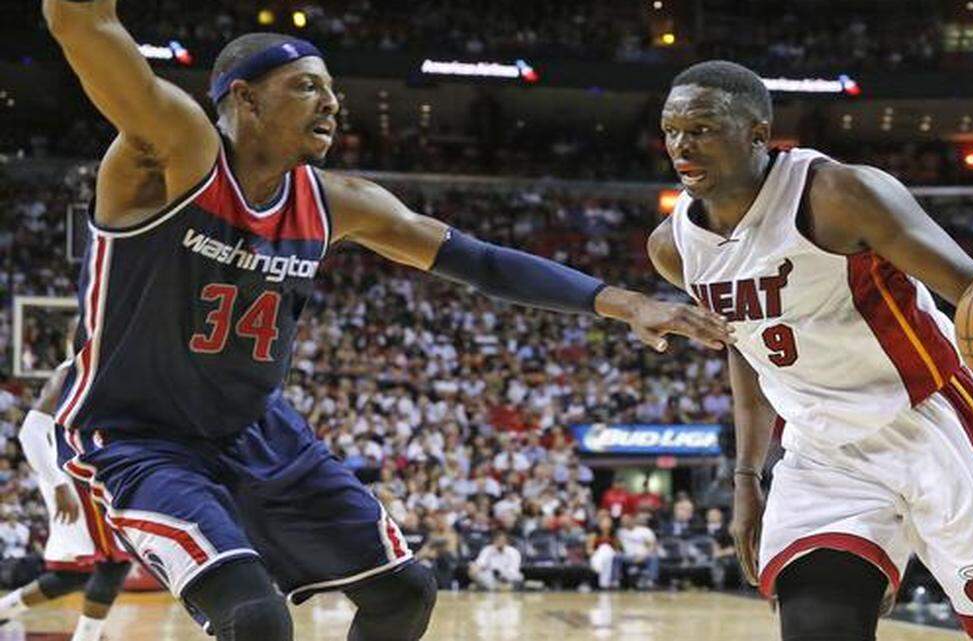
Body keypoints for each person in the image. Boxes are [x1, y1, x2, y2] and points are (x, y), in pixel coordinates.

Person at [41, 4, 731, 639]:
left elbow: (482, 262)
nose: (333, 103)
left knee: (404, 593)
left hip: (255, 430)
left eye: (332, 89)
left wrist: (628, 302)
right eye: (307, 85)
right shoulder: (172, 151)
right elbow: (84, 25)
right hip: (139, 434)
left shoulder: (342, 202)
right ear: (243, 99)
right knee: (255, 618)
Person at [646, 60, 973, 641]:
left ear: (758, 135)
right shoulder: (674, 248)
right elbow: (744, 348)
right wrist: (748, 476)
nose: (681, 145)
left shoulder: (839, 194)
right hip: (824, 453)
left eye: (701, 128)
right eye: (671, 130)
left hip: (929, 422)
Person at [0, 365, 131, 641]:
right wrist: (59, 484)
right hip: (76, 480)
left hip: (81, 477)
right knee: (115, 561)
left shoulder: (116, 363)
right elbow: (30, 432)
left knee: (72, 575)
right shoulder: (77, 368)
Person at [617, 513, 660, 589]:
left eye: (627, 520)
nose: (625, 522)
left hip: (644, 556)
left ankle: (651, 581)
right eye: (623, 521)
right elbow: (617, 546)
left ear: (633, 520)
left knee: (653, 557)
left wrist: (644, 555)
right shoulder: (620, 532)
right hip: (628, 556)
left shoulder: (644, 531)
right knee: (616, 556)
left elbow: (652, 546)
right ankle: (615, 581)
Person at [586, 513, 622, 589]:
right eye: (604, 522)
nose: (606, 524)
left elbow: (617, 550)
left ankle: (604, 582)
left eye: (608, 522)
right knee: (603, 548)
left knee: (607, 549)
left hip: (611, 557)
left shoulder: (614, 537)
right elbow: (589, 550)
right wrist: (598, 553)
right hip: (597, 556)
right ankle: (606, 580)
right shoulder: (593, 535)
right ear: (599, 524)